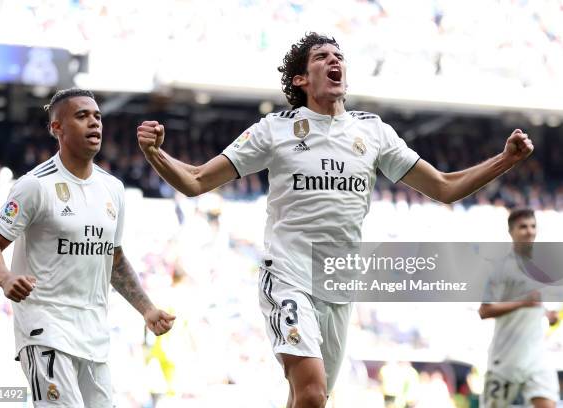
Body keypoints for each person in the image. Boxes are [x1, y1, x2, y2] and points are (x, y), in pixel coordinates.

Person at [136, 33, 534, 408]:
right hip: (288, 274)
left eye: (339, 56)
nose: (334, 60)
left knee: (309, 398)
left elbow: (444, 187)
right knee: (311, 393)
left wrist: (506, 160)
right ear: (301, 78)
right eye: (322, 57)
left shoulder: (373, 132)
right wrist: (156, 153)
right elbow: (197, 180)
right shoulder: (275, 130)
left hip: (340, 284)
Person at [0, 88, 175, 407]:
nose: (94, 123)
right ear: (57, 128)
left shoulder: (114, 189)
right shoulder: (34, 185)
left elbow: (114, 257)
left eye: (97, 116)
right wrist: (5, 278)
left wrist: (147, 309)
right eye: (82, 116)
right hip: (45, 329)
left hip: (94, 334)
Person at [479, 208, 559, 408]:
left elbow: (534, 304)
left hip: (536, 356)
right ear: (511, 232)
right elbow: (484, 311)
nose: (530, 231)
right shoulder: (499, 268)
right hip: (505, 358)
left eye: (533, 226)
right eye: (523, 227)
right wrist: (523, 302)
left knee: (547, 405)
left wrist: (546, 314)